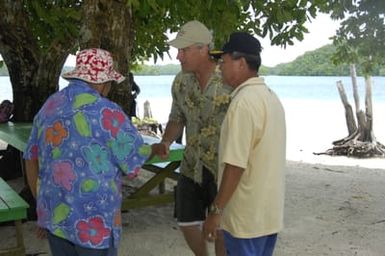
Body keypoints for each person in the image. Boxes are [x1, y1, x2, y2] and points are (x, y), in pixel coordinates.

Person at [23, 48, 152, 256]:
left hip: (56, 216)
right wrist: (155, 148)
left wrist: (41, 205)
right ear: (102, 83)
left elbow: (30, 157)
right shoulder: (107, 112)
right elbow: (134, 160)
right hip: (95, 223)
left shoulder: (49, 105)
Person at [152, 20, 233, 256]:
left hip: (223, 167)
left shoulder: (229, 79)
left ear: (203, 48)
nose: (178, 56)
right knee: (186, 223)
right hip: (192, 165)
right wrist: (166, 141)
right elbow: (177, 117)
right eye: (178, 50)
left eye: (184, 50)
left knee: (221, 228)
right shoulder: (181, 81)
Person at [202, 32, 286, 256]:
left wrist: (216, 211)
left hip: (245, 220)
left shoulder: (243, 103)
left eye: (224, 61)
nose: (220, 68)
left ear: (240, 62)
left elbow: (235, 165)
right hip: (268, 215)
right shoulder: (271, 97)